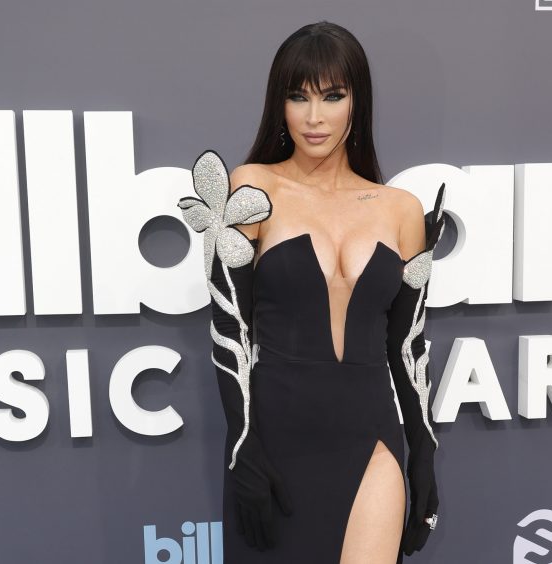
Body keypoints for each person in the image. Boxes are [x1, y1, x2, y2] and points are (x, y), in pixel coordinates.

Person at [177, 20, 445, 564]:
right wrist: (242, 446)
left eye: (332, 96)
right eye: (298, 96)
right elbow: (229, 327)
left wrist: (423, 456)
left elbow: (408, 347)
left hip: (371, 439)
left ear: (357, 101)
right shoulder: (251, 188)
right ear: (279, 104)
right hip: (276, 442)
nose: (314, 116)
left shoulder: (401, 209)